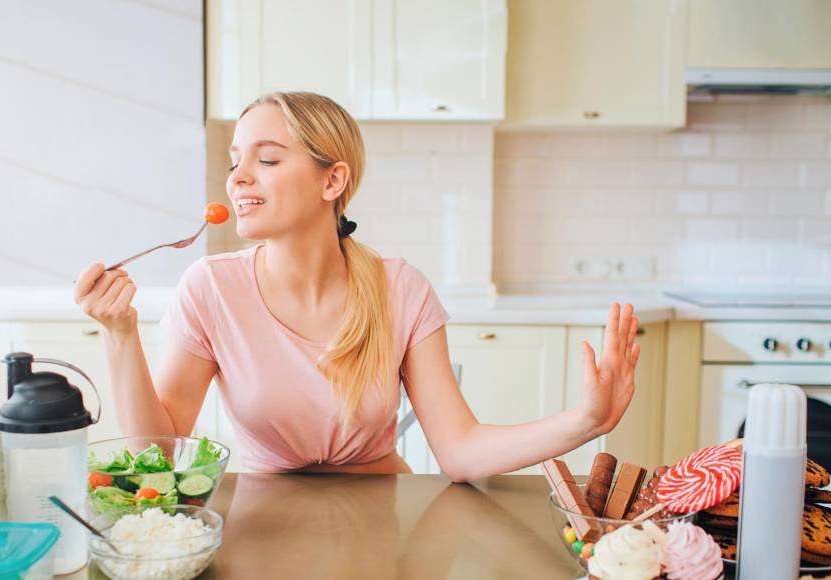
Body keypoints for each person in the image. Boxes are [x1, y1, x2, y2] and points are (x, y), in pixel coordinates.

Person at [73, 91, 640, 482]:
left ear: (333, 179)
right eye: (235, 160)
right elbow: (160, 454)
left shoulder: (400, 289)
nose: (239, 176)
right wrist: (119, 334)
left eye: (267, 159)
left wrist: (586, 421)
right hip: (264, 517)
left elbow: (461, 452)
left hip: (385, 511)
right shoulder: (210, 288)